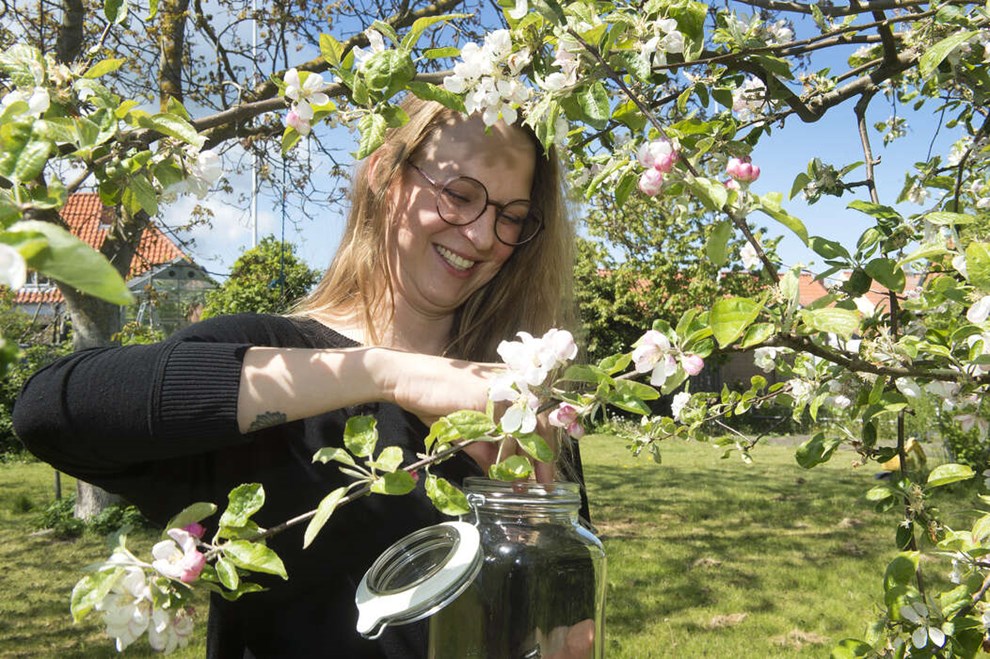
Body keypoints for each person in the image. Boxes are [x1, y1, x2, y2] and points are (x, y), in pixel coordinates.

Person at [13, 96, 586, 658]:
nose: (484, 238)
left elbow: (564, 601)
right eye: (460, 195)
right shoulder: (274, 354)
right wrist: (384, 372)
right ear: (387, 176)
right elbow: (51, 409)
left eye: (510, 218)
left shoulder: (515, 396)